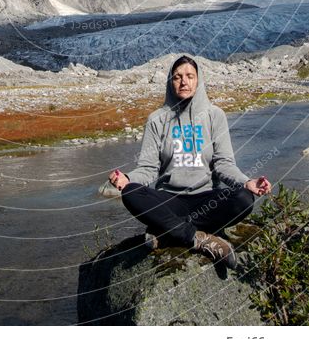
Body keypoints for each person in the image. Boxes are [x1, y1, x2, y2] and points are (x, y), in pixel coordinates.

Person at [108, 54, 272, 269]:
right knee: (131, 192)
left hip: (205, 199)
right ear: (170, 81)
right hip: (169, 200)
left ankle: (167, 231)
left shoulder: (215, 116)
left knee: (243, 198)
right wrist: (128, 178)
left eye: (189, 76)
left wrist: (246, 182)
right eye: (177, 77)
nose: (183, 81)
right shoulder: (157, 119)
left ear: (199, 80)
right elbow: (148, 168)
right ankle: (198, 238)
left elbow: (224, 164)